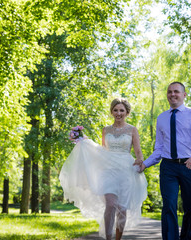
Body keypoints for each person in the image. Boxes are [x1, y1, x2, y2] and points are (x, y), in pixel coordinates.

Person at [135, 82, 191, 240]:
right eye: (169, 92)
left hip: (189, 166)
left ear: (184, 95)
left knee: (190, 208)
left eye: (176, 92)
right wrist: (145, 164)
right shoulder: (162, 118)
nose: (172, 94)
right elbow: (159, 148)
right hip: (168, 167)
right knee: (169, 206)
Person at [59, 98, 148, 240]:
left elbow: (138, 150)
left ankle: (118, 237)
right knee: (111, 205)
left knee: (122, 207)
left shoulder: (132, 130)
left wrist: (140, 160)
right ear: (112, 112)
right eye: (115, 110)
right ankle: (108, 238)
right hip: (108, 170)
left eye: (121, 110)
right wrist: (85, 143)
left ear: (127, 112)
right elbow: (103, 151)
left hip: (126, 170)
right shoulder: (106, 130)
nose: (118, 113)